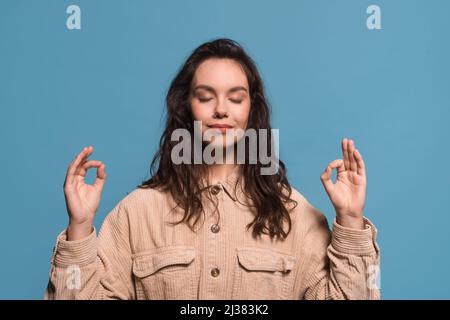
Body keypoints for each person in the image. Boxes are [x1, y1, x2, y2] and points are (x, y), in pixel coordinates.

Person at [45, 38, 380, 300]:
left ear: (252, 110)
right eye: (206, 97)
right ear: (185, 107)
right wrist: (80, 225)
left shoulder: (296, 216)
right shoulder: (137, 213)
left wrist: (350, 220)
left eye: (236, 98)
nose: (221, 110)